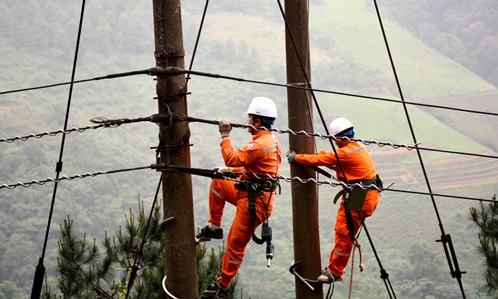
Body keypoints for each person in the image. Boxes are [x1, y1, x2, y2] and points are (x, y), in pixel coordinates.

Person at [197, 97, 282, 299]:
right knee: (218, 182)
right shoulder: (269, 141)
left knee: (235, 243)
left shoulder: (260, 144)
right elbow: (252, 166)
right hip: (249, 193)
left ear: (258, 122)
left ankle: (223, 285)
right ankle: (214, 227)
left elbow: (233, 157)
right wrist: (231, 171)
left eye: (250, 118)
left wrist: (225, 136)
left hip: (255, 203)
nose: (248, 122)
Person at [287, 117, 380, 283]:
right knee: (345, 231)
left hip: (361, 195)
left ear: (336, 138)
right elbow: (328, 156)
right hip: (365, 193)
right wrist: (306, 155)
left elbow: (322, 159)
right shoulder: (356, 147)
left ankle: (335, 272)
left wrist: (297, 158)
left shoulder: (345, 153)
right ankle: (335, 270)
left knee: (344, 232)